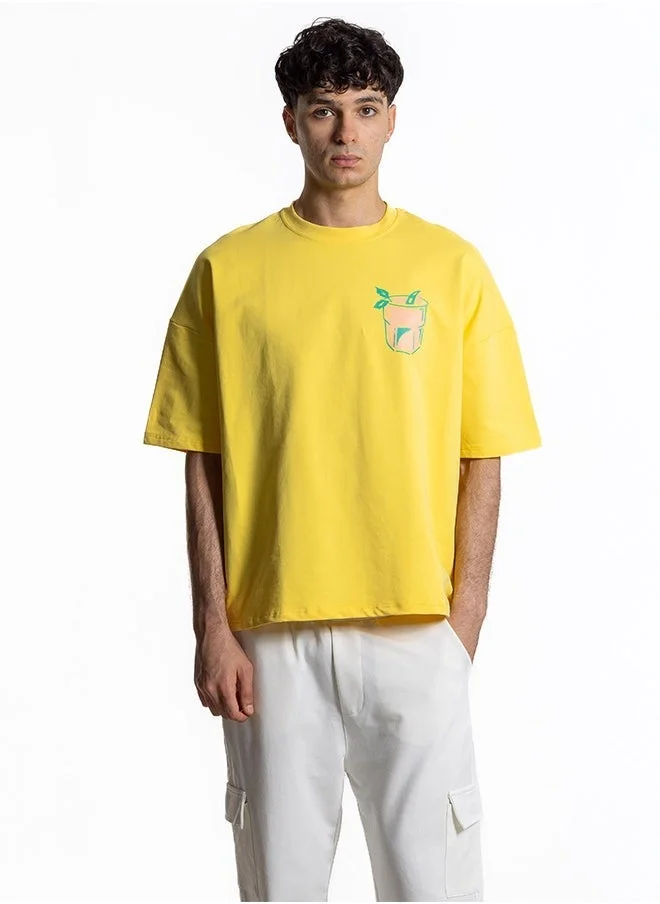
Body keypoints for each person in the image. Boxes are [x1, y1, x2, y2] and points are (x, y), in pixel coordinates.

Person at [143, 15, 542, 903]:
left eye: (366, 108)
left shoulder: (450, 268)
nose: (346, 132)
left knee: (435, 889)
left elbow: (483, 454)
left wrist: (463, 622)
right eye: (324, 109)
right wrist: (213, 625)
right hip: (270, 636)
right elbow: (202, 458)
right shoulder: (227, 271)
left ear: (393, 119)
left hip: (417, 631)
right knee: (279, 889)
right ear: (292, 122)